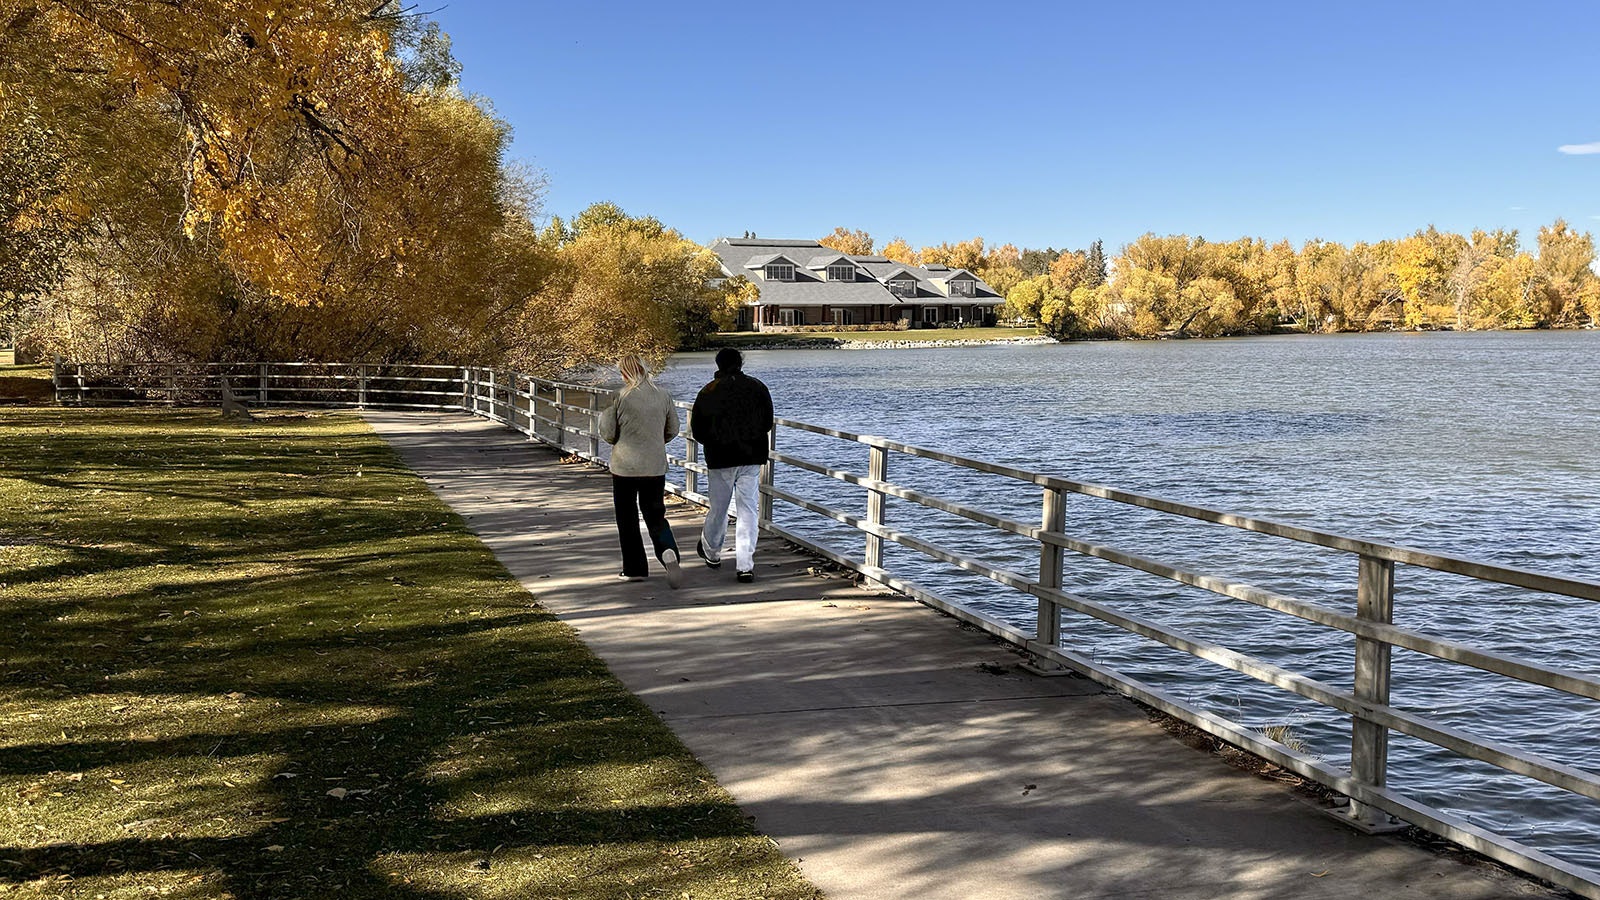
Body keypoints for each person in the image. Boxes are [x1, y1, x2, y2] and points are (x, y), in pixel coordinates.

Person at [598, 355, 683, 587]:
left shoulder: (620, 396)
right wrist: (657, 442)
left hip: (625, 467)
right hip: (654, 466)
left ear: (624, 373)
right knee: (655, 515)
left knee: (627, 518)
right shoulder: (663, 395)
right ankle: (668, 551)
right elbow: (674, 428)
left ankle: (634, 568)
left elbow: (607, 433)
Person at [690, 348, 773, 583]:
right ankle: (745, 565)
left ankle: (712, 551)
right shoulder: (757, 387)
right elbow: (767, 422)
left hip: (720, 457)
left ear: (718, 364)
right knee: (748, 509)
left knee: (719, 507)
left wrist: (715, 440)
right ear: (740, 363)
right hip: (751, 456)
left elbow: (698, 430)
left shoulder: (708, 391)